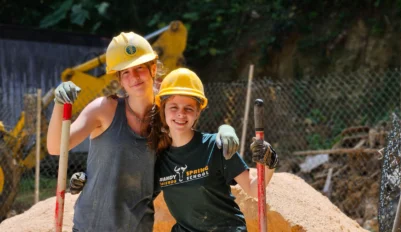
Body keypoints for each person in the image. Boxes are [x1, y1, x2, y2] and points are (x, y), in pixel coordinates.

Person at [47, 31, 239, 232]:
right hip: (91, 226)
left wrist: (225, 130)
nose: (134, 77)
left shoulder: (167, 114)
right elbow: (55, 147)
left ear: (153, 69)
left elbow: (193, 145)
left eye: (139, 68)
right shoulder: (103, 109)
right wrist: (60, 104)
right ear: (119, 79)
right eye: (126, 72)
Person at [149, 68, 279, 231]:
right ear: (164, 110)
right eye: (173, 107)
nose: (181, 114)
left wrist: (269, 162)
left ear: (197, 112)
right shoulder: (160, 158)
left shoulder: (216, 147)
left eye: (188, 108)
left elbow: (254, 189)